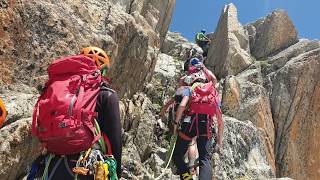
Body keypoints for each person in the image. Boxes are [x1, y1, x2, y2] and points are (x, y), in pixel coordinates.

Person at [29, 47, 122, 180]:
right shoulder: (106, 95)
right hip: (87, 167)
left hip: (53, 163)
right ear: (103, 71)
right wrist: (117, 173)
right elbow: (115, 141)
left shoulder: (60, 88)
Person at [172, 71, 224, 180]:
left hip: (189, 124)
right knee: (205, 159)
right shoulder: (213, 91)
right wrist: (219, 139)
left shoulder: (189, 89)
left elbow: (181, 106)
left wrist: (176, 123)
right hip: (206, 126)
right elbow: (220, 119)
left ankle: (187, 178)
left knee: (177, 156)